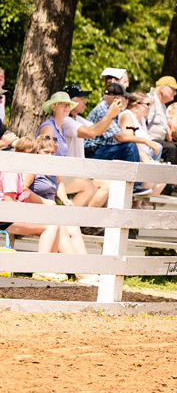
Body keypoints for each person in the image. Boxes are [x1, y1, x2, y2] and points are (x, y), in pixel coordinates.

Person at [1, 136, 93, 281]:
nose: (50, 155)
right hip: (32, 211)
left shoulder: (51, 167)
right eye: (46, 152)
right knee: (58, 227)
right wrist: (45, 203)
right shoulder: (24, 170)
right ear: (37, 152)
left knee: (73, 227)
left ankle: (86, 271)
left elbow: (59, 183)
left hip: (46, 211)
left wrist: (64, 199)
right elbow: (16, 195)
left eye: (53, 152)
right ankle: (76, 273)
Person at [38, 89, 120, 207]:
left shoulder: (61, 126)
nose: (67, 108)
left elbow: (97, 130)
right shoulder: (49, 127)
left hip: (60, 174)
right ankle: (67, 219)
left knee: (96, 185)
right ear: (53, 107)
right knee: (90, 186)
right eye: (63, 105)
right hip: (50, 176)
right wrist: (110, 114)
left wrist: (112, 115)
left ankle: (72, 219)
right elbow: (44, 153)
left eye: (68, 105)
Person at [83, 83, 141, 162]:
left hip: (101, 150)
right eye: (126, 97)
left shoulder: (112, 110)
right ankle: (133, 174)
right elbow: (119, 137)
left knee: (128, 148)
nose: (127, 101)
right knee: (130, 147)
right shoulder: (103, 109)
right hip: (92, 153)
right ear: (117, 98)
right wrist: (147, 142)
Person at [146, 76, 177, 165]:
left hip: (162, 140)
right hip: (150, 140)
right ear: (162, 88)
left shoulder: (162, 105)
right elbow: (144, 123)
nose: (175, 93)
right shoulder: (150, 100)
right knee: (171, 149)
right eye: (172, 89)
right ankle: (172, 178)